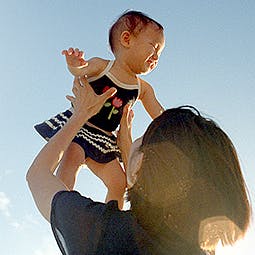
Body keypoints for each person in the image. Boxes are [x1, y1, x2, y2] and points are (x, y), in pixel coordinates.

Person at [27, 76, 251, 255]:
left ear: (143, 163)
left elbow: (38, 176)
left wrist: (81, 113)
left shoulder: (106, 232)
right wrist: (126, 135)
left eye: (142, 138)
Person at [34, 10, 165, 208]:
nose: (156, 56)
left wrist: (179, 125)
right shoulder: (102, 66)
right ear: (127, 39)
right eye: (154, 47)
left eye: (160, 53)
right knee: (70, 163)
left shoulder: (143, 88)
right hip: (80, 127)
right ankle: (63, 208)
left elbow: (161, 116)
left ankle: (111, 218)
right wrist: (74, 65)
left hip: (104, 138)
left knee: (119, 182)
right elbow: (81, 71)